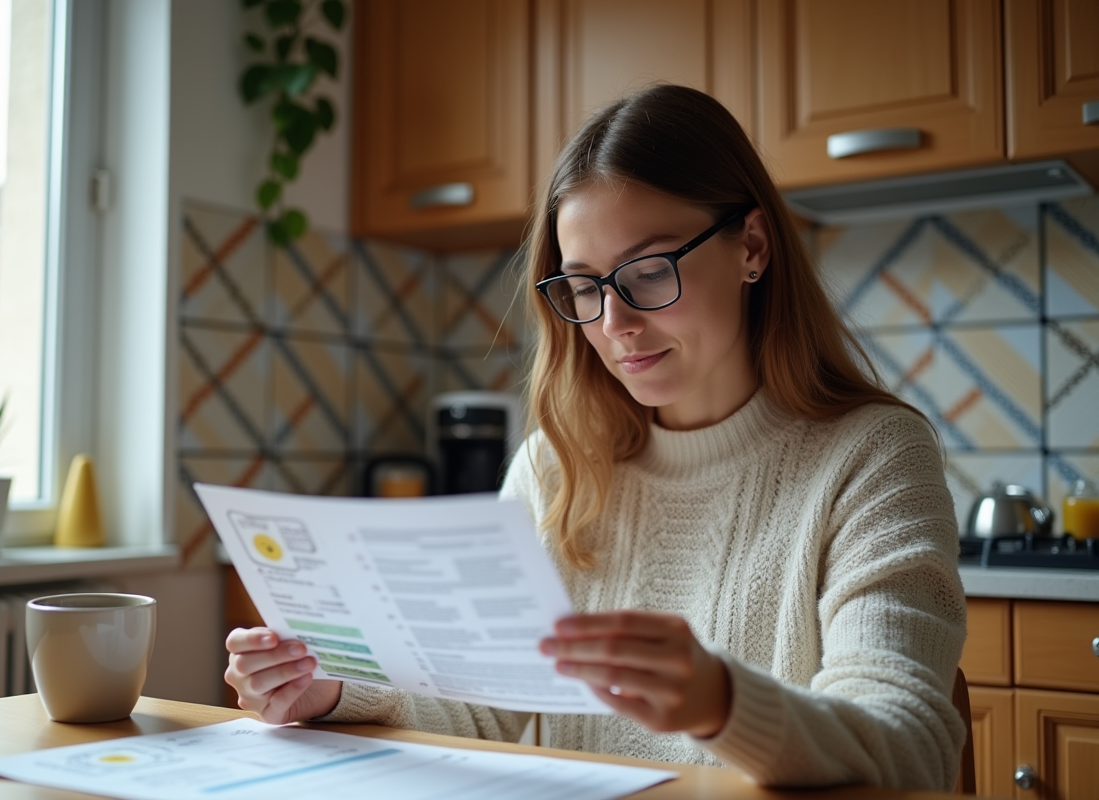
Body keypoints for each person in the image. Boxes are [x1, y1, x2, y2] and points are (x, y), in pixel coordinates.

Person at [224, 84, 967, 792]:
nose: (614, 324)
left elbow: (911, 750)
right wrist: (333, 692)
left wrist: (724, 704)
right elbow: (481, 707)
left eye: (648, 270)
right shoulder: (559, 463)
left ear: (753, 247)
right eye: (584, 286)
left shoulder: (873, 456)